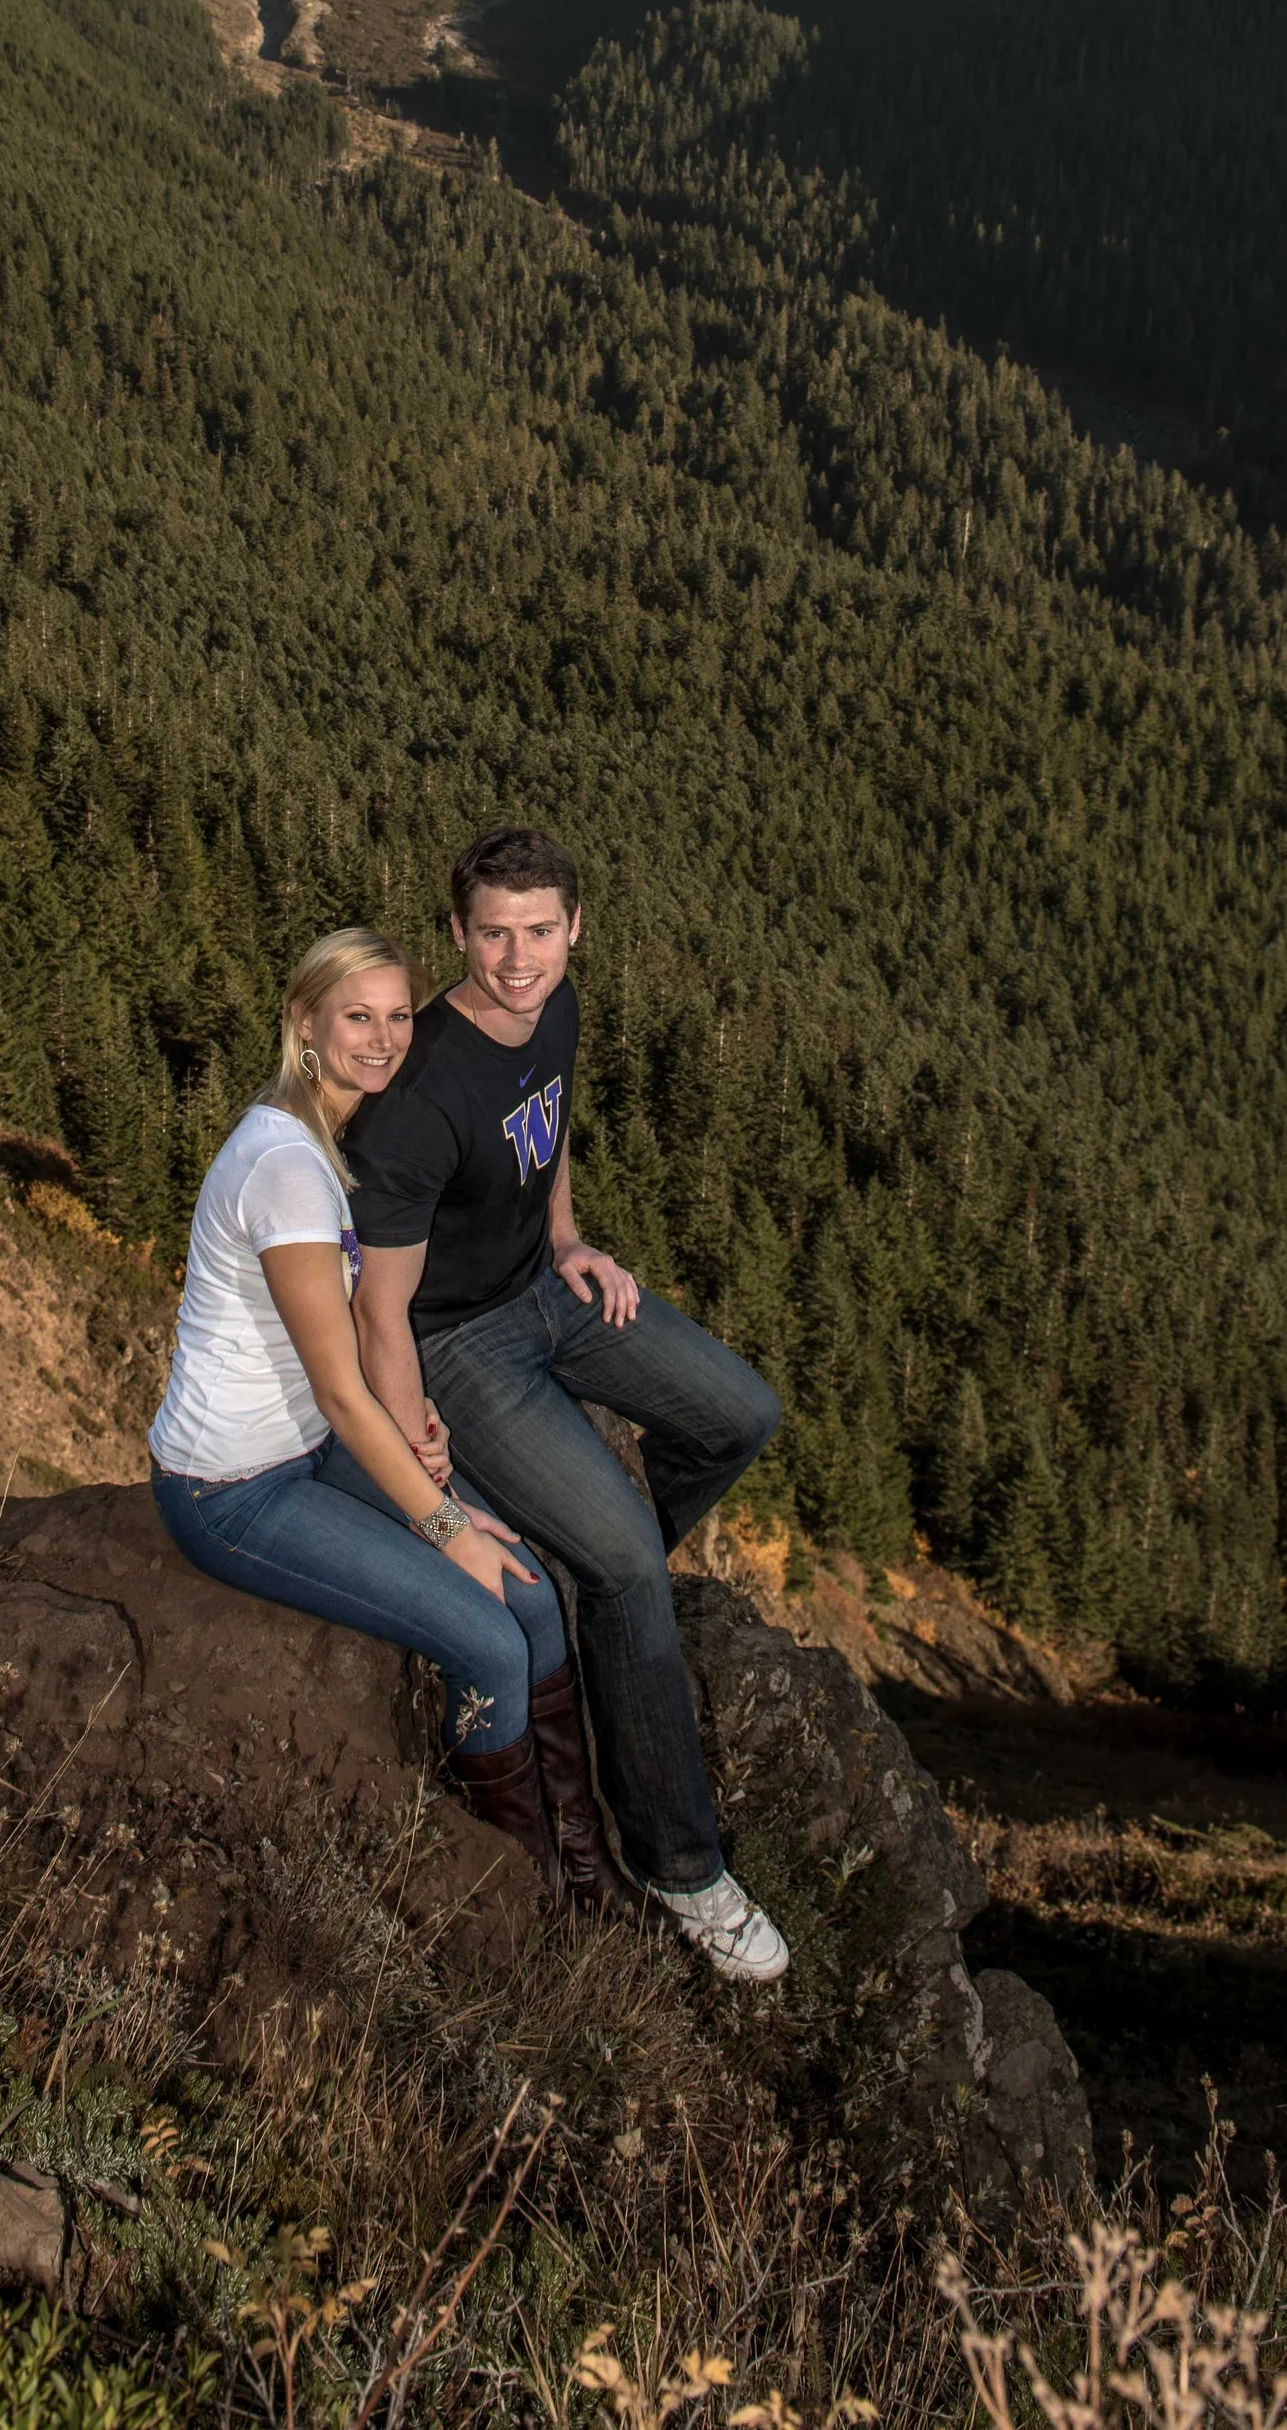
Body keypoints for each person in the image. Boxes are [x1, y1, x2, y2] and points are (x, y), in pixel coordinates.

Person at [348, 826, 790, 1981]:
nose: (517, 957)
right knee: (633, 1566)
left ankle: (607, 1584)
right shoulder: (417, 1095)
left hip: (546, 1287)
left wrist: (567, 1237)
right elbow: (379, 1308)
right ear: (457, 932)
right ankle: (681, 1865)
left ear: (574, 929)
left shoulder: (558, 1007)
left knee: (737, 1413)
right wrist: (419, 1449)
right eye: (492, 932)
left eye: (539, 930)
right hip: (459, 1342)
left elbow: (546, 1130)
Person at [147, 924, 608, 1888]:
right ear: (303, 1023)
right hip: (233, 1489)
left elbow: (353, 1355)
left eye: (399, 1016)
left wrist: (420, 1444)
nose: (386, 1038)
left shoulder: (325, 1132)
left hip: (311, 1447)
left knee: (526, 1587)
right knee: (487, 1635)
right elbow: (338, 1389)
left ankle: (582, 1849)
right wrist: (442, 1523)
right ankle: (526, 1885)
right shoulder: (287, 1171)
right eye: (358, 1017)